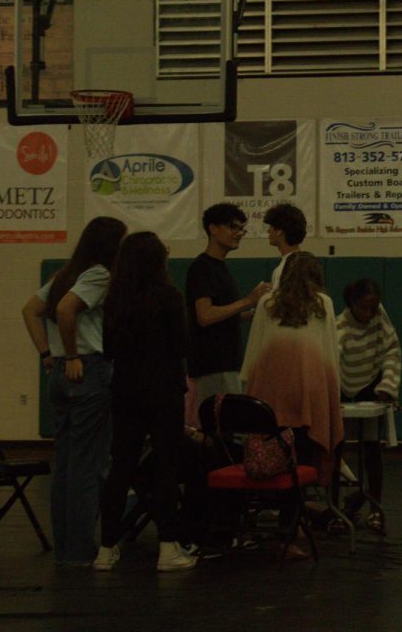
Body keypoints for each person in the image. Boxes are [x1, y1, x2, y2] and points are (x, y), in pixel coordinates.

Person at [20, 216, 126, 565]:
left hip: (61, 377)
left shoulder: (64, 274)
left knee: (65, 464)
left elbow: (30, 311)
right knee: (87, 466)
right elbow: (67, 310)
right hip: (88, 370)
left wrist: (48, 354)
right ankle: (81, 549)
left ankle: (66, 546)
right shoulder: (99, 275)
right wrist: (73, 355)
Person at [96, 232, 196, 572]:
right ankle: (168, 549)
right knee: (166, 466)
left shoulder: (115, 299)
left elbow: (108, 349)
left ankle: (106, 549)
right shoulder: (169, 295)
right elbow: (182, 345)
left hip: (125, 388)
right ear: (158, 261)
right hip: (164, 388)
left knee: (121, 466)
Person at [242, 253, 344, 489]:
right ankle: (297, 513)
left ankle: (278, 503)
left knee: (275, 448)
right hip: (309, 389)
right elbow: (330, 349)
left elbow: (253, 352)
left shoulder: (266, 303)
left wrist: (249, 388)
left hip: (272, 393)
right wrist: (333, 393)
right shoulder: (323, 304)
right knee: (304, 455)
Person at [336, 278, 402, 532]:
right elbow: (330, 363)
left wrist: (387, 386)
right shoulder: (339, 327)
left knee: (372, 450)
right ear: (351, 304)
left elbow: (392, 353)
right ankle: (338, 506)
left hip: (371, 385)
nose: (368, 314)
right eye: (363, 308)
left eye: (372, 308)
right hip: (343, 383)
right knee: (335, 448)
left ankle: (376, 507)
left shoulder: (379, 319)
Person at [186, 203, 270, 401]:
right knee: (221, 428)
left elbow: (220, 316)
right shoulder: (202, 268)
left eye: (242, 229)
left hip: (227, 364)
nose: (239, 233)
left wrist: (249, 315)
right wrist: (248, 300)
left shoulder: (220, 267)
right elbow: (205, 316)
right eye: (233, 227)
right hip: (213, 365)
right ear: (213, 229)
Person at [263, 202, 307, 290]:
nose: (268, 231)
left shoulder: (284, 270)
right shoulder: (306, 264)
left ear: (279, 230)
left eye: (270, 226)